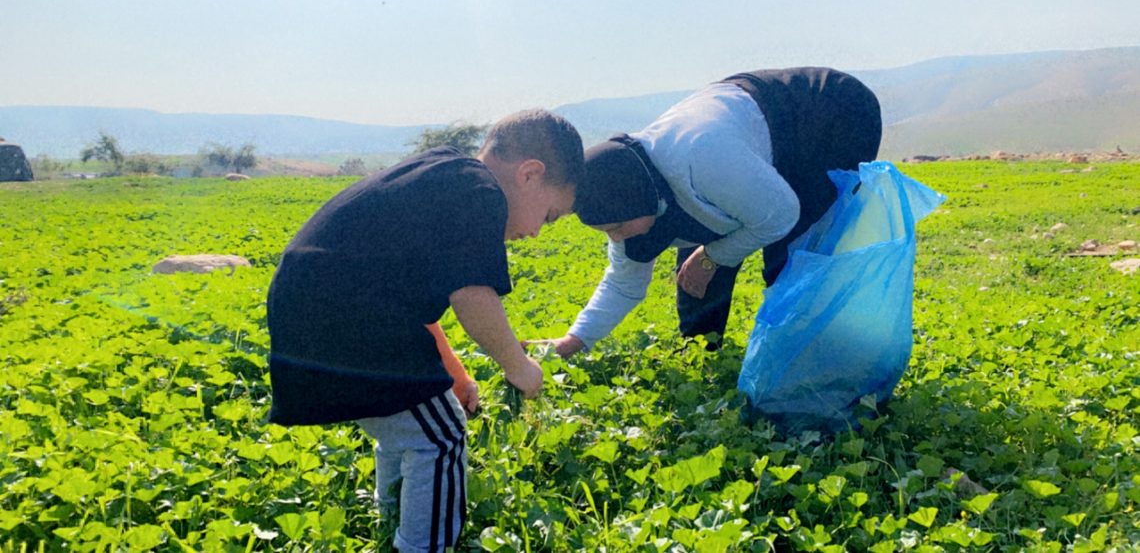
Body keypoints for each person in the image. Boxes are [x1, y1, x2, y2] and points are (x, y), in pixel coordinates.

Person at [265, 109, 584, 552]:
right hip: (349, 314)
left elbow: (415, 306)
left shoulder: (443, 175)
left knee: (406, 423)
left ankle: (391, 513)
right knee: (441, 435)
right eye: (548, 217)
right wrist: (519, 366)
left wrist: (455, 375)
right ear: (530, 174)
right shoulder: (481, 191)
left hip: (315, 307)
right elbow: (474, 295)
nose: (534, 233)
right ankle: (422, 545)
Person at [539, 67, 881, 357]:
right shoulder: (632, 199)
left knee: (791, 256)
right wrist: (573, 341)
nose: (616, 237)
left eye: (616, 226)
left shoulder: (703, 160)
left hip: (828, 116)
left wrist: (713, 256)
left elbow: (781, 214)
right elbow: (623, 285)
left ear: (635, 200)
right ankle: (701, 354)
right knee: (695, 271)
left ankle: (801, 360)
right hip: (736, 148)